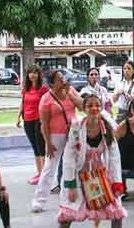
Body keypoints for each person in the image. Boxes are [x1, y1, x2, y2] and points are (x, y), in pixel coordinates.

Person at [58, 94, 127, 228]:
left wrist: (116, 182)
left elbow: (114, 157)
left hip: (101, 175)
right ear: (83, 108)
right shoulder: (76, 127)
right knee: (68, 214)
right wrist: (70, 185)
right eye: (90, 105)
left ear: (101, 107)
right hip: (78, 175)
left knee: (117, 212)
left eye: (97, 105)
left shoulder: (107, 128)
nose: (94, 108)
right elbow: (69, 157)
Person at [31, 70, 83, 212]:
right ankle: (39, 201)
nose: (63, 80)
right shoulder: (46, 99)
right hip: (56, 135)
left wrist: (70, 94)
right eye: (59, 79)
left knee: (74, 164)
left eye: (63, 78)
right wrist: (48, 143)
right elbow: (44, 124)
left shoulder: (70, 90)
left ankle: (68, 198)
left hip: (73, 133)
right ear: (52, 83)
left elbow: (82, 106)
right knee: (49, 167)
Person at [17, 64, 49, 185]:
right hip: (28, 120)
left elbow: (47, 104)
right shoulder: (26, 88)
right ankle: (40, 173)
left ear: (39, 74)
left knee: (41, 147)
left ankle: (45, 174)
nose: (32, 75)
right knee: (35, 148)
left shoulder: (43, 89)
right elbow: (23, 103)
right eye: (30, 72)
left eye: (35, 72)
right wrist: (18, 117)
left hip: (39, 120)